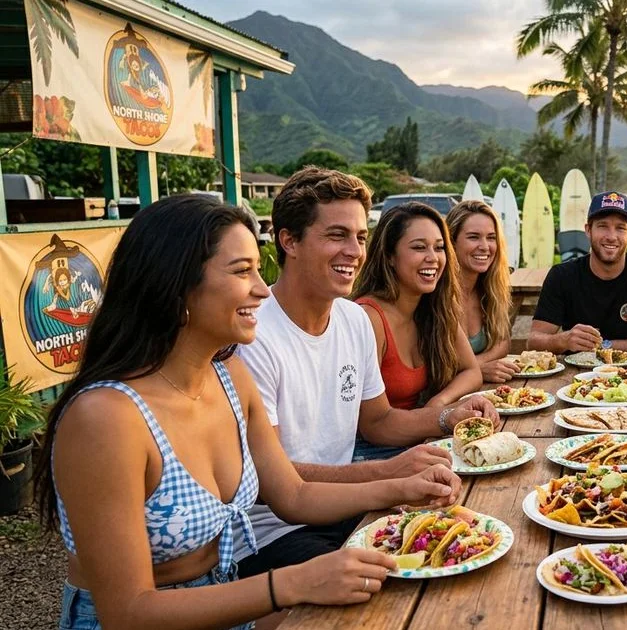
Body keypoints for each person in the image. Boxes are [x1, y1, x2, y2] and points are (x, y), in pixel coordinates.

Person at [36, 195, 462, 629]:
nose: (262, 288)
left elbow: (294, 495)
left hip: (229, 601)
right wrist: (292, 584)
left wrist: (403, 487)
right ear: (175, 284)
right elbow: (128, 613)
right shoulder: (104, 418)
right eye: (243, 271)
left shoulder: (228, 375)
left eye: (259, 269)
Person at [234, 168, 497, 577]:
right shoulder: (253, 336)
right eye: (336, 235)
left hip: (349, 511)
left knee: (469, 537)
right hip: (274, 534)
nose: (354, 251)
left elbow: (378, 422)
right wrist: (391, 472)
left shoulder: (352, 319)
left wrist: (446, 417)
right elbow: (278, 483)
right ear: (289, 241)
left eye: (359, 237)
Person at [349, 201, 485, 459]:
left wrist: (439, 403)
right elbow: (371, 427)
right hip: (370, 452)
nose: (433, 258)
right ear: (389, 256)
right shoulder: (369, 318)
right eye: (419, 247)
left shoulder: (433, 306)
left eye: (440, 248)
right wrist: (442, 417)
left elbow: (471, 371)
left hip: (420, 439)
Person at [528, 191, 627, 356]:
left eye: (620, 228)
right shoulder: (562, 275)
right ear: (588, 230)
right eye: (602, 226)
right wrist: (563, 340)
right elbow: (533, 341)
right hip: (575, 376)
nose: (611, 236)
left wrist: (605, 345)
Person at [446, 200, 516, 383]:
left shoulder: (490, 288)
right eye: (474, 237)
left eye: (491, 237)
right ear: (451, 241)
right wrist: (476, 370)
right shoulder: (437, 294)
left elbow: (503, 342)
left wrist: (474, 367)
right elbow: (431, 368)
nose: (485, 246)